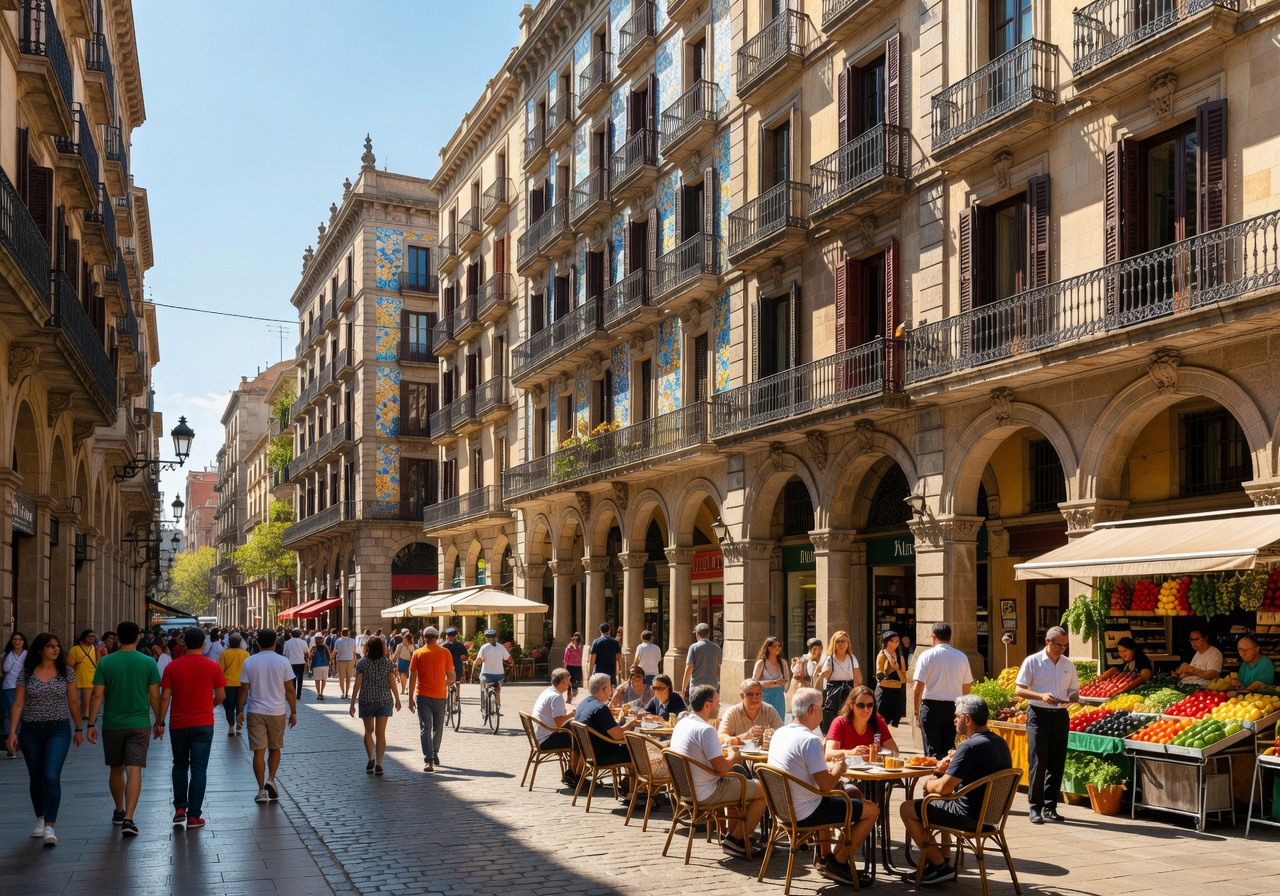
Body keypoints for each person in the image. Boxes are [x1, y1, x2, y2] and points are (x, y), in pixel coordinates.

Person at [767, 687, 877, 888]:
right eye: (821, 706)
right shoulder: (809, 740)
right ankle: (838, 861)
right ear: (811, 710)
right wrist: (839, 768)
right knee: (871, 810)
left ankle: (826, 858)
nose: (823, 711)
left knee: (831, 800)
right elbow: (826, 785)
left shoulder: (780, 733)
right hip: (806, 812)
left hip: (782, 810)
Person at [900, 694, 1013, 885]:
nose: (954, 720)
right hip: (991, 818)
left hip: (968, 817)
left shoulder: (969, 746)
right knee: (936, 802)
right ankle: (943, 858)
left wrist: (930, 780)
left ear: (967, 719)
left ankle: (938, 866)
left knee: (907, 808)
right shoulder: (999, 742)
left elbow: (943, 788)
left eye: (957, 716)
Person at [670, 684, 769, 859]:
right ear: (707, 705)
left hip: (687, 790)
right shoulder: (706, 730)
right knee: (766, 790)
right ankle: (737, 839)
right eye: (717, 701)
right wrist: (733, 756)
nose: (719, 705)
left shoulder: (682, 723)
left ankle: (735, 834)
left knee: (739, 779)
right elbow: (723, 769)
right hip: (707, 791)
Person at [5, 633, 83, 846]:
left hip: (58, 729)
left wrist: (79, 728)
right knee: (36, 777)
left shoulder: (66, 672)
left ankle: (50, 825)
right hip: (30, 731)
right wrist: (12, 732)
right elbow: (18, 704)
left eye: (57, 646)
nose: (56, 649)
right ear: (40, 649)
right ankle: (40, 818)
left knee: (50, 776)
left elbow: (74, 702)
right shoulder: (26, 673)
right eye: (50, 646)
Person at [85, 621, 161, 838]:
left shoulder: (106, 662)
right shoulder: (148, 662)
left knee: (116, 768)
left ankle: (118, 810)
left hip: (112, 724)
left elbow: (97, 694)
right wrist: (159, 721)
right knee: (134, 769)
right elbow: (154, 695)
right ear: (138, 637)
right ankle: (129, 817)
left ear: (117, 637)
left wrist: (90, 724)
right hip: (139, 723)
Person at [156, 628, 226, 831]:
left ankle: (180, 809)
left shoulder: (173, 666)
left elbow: (165, 697)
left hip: (178, 723)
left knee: (179, 765)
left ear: (184, 643)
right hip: (203, 724)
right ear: (203, 645)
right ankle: (194, 815)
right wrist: (207, 706)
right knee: (199, 769)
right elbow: (221, 696)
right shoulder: (212, 666)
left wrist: (159, 722)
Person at [1015, 625, 1080, 824]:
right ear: (1048, 642)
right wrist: (1041, 695)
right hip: (1038, 714)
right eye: (1059, 645)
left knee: (1057, 762)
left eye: (1065, 646)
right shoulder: (1032, 661)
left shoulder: (1068, 664)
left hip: (1060, 714)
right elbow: (1019, 690)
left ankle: (1050, 806)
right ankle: (1035, 807)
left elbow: (1073, 689)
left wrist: (1074, 698)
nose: (1062, 649)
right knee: (1038, 761)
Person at [236, 629, 298, 804]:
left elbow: (243, 689)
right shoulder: (283, 662)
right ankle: (271, 778)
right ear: (275, 643)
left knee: (259, 750)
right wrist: (293, 711)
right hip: (277, 711)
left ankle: (261, 790)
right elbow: (290, 689)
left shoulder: (250, 661)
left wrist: (239, 710)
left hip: (255, 711)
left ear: (257, 643)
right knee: (275, 747)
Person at [912, 622, 974, 759]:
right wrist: (962, 710)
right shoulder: (961, 657)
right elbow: (967, 687)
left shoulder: (926, 655)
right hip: (953, 706)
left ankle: (936, 779)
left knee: (932, 751)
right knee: (949, 751)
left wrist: (916, 711)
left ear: (933, 637)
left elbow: (918, 688)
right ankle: (947, 778)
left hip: (931, 706)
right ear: (949, 637)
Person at [350, 635, 400, 774]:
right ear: (382, 648)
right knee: (380, 733)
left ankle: (370, 757)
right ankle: (379, 763)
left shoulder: (362, 663)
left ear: (368, 648)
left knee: (368, 731)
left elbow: (357, 685)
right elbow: (392, 682)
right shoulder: (387, 663)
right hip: (384, 700)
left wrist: (352, 702)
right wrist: (397, 698)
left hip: (366, 700)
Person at [407, 626, 454, 772]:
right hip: (440, 695)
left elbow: (412, 677)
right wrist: (443, 682)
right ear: (437, 637)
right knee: (438, 727)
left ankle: (429, 760)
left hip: (422, 695)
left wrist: (409, 698)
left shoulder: (417, 653)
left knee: (425, 727)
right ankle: (434, 752)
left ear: (424, 637)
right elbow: (452, 676)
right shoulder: (445, 652)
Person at [574, 673, 639, 770]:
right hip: (603, 755)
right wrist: (631, 723)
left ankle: (628, 782)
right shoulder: (601, 708)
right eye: (610, 687)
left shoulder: (584, 703)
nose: (611, 691)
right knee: (637, 749)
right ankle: (633, 783)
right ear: (604, 689)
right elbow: (618, 735)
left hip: (588, 753)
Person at [532, 668, 582, 785]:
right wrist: (571, 715)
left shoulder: (548, 691)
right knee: (582, 740)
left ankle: (573, 772)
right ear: (563, 680)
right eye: (568, 680)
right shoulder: (557, 697)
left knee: (575, 734)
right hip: (547, 739)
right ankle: (576, 775)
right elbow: (559, 722)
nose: (569, 683)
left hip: (539, 736)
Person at [825, 685, 900, 759]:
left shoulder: (878, 721)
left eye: (870, 705)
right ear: (851, 705)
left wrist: (874, 751)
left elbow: (894, 750)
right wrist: (851, 752)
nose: (866, 709)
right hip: (846, 769)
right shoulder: (840, 722)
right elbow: (828, 754)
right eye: (860, 705)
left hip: (873, 769)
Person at [815, 630, 862, 733]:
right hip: (833, 691)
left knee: (848, 718)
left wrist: (856, 693)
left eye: (844, 641)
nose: (841, 644)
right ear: (834, 643)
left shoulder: (851, 658)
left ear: (848, 643)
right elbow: (825, 676)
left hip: (848, 690)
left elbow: (858, 678)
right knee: (831, 718)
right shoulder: (829, 658)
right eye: (838, 641)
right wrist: (824, 671)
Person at [719, 678, 785, 747]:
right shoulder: (732, 712)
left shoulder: (769, 710)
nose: (754, 698)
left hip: (763, 756)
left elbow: (782, 733)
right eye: (750, 694)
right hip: (739, 756)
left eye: (758, 694)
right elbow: (720, 737)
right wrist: (746, 736)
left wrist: (769, 736)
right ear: (742, 695)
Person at [218, 634, 250, 736]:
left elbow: (220, 670)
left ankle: (231, 727)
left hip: (228, 684)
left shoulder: (224, 654)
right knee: (240, 707)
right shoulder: (246, 654)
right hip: (243, 684)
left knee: (229, 707)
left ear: (229, 643)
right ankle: (238, 728)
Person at [874, 631, 908, 726]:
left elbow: (904, 679)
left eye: (897, 641)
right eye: (892, 641)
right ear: (886, 642)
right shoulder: (882, 655)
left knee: (894, 721)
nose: (896, 643)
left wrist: (896, 668)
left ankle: (889, 740)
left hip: (896, 691)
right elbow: (879, 674)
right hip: (884, 690)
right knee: (881, 720)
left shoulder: (900, 658)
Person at [3, 631, 28, 756]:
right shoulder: (6, 655)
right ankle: (10, 743)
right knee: (10, 714)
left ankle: (19, 740)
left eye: (20, 639)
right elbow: (5, 669)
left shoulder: (28, 655)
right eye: (14, 640)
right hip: (9, 686)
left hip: (24, 687)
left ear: (23, 641)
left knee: (23, 714)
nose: (17, 642)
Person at [752, 636, 788, 721]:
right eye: (775, 646)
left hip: (779, 697)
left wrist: (784, 682)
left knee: (779, 722)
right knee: (765, 722)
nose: (778, 648)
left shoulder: (782, 662)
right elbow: (754, 683)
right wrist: (774, 682)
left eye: (780, 646)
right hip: (766, 696)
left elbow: (786, 679)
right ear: (768, 648)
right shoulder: (761, 663)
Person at [682, 622, 722, 698]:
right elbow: (718, 667)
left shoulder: (694, 647)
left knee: (697, 708)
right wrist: (719, 682)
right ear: (709, 634)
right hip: (712, 686)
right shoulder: (717, 648)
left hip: (697, 686)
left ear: (697, 634)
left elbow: (689, 666)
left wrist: (684, 688)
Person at [68, 629, 99, 726]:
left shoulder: (93, 648)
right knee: (75, 698)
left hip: (89, 675)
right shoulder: (75, 649)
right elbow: (69, 663)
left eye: (93, 636)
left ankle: (86, 712)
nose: (91, 638)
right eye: (89, 636)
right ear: (84, 637)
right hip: (77, 675)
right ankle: (79, 713)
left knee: (87, 697)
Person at [476, 629, 511, 708]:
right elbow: (508, 658)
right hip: (499, 675)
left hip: (486, 674)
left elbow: (479, 660)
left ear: (487, 638)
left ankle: (484, 706)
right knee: (497, 689)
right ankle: (498, 706)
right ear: (496, 637)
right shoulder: (501, 647)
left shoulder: (484, 647)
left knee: (483, 687)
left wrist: (475, 662)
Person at [442, 628, 469, 706]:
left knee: (448, 681)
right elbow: (466, 655)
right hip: (458, 666)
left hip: (447, 667)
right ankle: (457, 696)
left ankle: (447, 696)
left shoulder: (444, 646)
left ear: (447, 636)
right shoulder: (460, 645)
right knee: (457, 682)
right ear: (455, 636)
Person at [281, 627, 308, 699]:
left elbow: (284, 654)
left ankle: (293, 692)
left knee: (291, 679)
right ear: (300, 634)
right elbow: (306, 652)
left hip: (290, 663)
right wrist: (306, 660)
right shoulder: (303, 642)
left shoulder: (287, 642)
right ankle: (299, 694)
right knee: (300, 678)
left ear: (292, 634)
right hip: (300, 662)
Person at [333, 628, 358, 699]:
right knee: (348, 678)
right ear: (348, 633)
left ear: (341, 633)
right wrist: (355, 660)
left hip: (340, 660)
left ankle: (342, 692)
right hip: (350, 660)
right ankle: (347, 693)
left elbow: (335, 651)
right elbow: (354, 652)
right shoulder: (353, 641)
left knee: (341, 678)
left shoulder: (338, 640)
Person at [393, 630, 416, 695]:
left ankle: (404, 689)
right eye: (404, 640)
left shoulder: (411, 646)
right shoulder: (400, 646)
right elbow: (396, 654)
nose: (404, 641)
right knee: (401, 675)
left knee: (404, 675)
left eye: (406, 640)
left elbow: (413, 654)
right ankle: (403, 689)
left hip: (407, 662)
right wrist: (395, 660)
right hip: (401, 661)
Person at [309, 633, 330, 701]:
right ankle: (322, 692)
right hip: (325, 665)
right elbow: (329, 656)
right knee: (323, 679)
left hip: (316, 665)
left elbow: (310, 656)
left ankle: (318, 693)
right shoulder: (325, 647)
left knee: (317, 680)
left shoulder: (314, 647)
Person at [563, 632, 584, 699]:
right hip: (578, 666)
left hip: (570, 665)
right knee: (575, 680)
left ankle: (569, 693)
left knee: (569, 680)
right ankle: (574, 689)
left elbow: (566, 657)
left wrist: (565, 665)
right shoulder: (581, 648)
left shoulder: (569, 647)